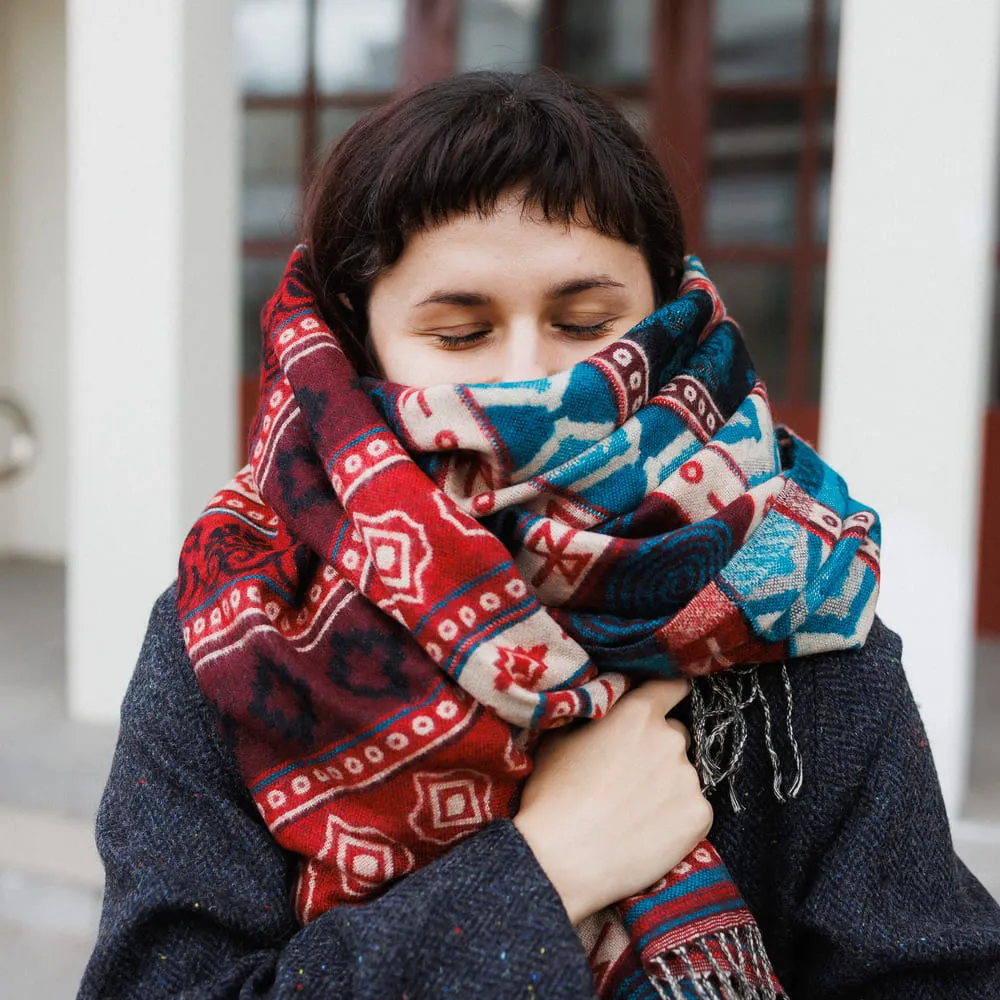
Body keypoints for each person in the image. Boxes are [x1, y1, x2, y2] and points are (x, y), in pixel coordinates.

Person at [78, 71, 1000, 999]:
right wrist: (548, 868)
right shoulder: (241, 620)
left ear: (668, 324)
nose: (531, 379)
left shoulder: (789, 590)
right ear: (356, 347)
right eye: (459, 332)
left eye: (585, 322)